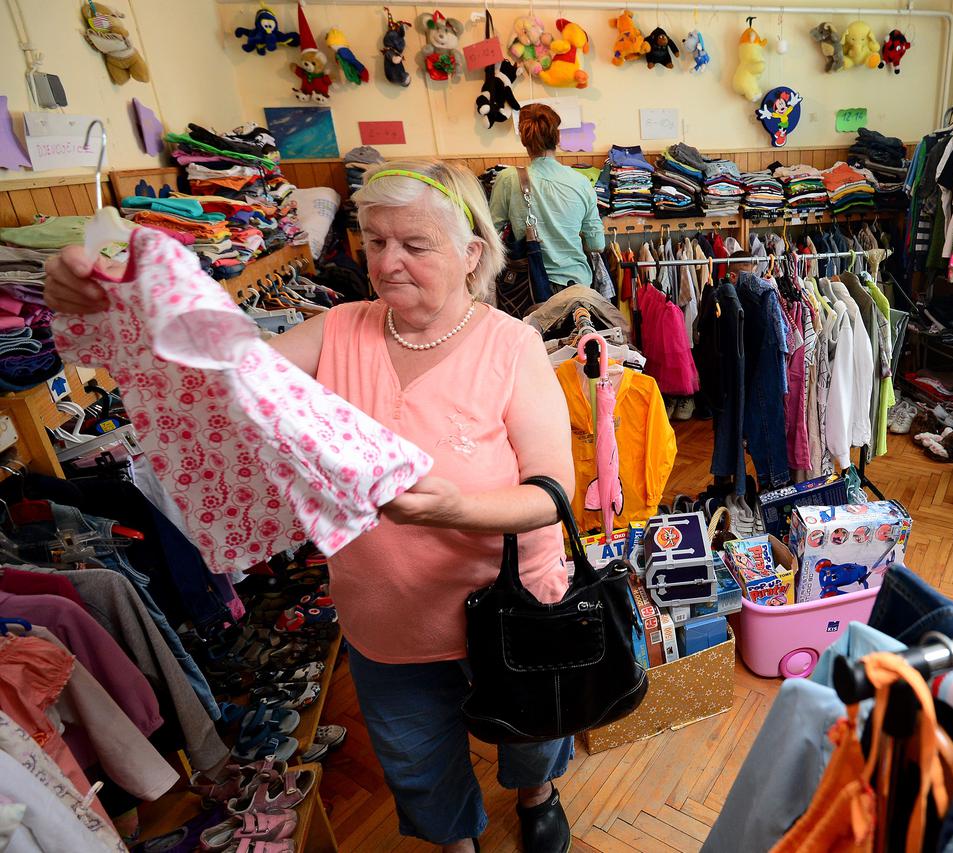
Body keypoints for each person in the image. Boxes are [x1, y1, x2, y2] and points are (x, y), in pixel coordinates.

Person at [45, 160, 577, 853]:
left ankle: (537, 791)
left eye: (414, 245)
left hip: (513, 607)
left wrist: (452, 509)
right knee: (416, 758)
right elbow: (231, 371)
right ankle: (455, 842)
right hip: (388, 618)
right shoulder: (338, 330)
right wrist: (117, 292)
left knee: (536, 730)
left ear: (470, 253)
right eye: (374, 239)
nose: (386, 261)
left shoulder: (512, 346)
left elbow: (550, 497)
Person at [489, 103, 605, 291]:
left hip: (528, 286)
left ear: (524, 141)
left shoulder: (508, 179)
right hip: (576, 285)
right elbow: (597, 244)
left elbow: (492, 233)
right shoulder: (581, 182)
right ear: (557, 137)